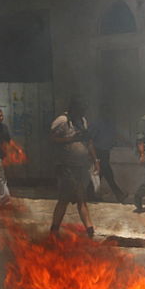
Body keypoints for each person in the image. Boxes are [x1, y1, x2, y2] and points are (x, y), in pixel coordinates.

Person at [49, 99, 98, 238]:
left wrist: (95, 160)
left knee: (82, 198)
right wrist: (70, 139)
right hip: (66, 166)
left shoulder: (82, 121)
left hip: (80, 166)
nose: (82, 113)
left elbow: (88, 142)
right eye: (80, 110)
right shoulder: (62, 121)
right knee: (64, 200)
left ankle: (90, 231)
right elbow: (52, 139)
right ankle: (54, 230)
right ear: (73, 109)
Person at [89, 112, 128, 204]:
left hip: (106, 151)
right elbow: (90, 139)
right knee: (108, 173)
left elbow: (115, 134)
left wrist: (126, 142)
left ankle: (89, 193)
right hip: (98, 151)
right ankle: (119, 194)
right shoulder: (96, 124)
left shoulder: (109, 124)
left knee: (102, 174)